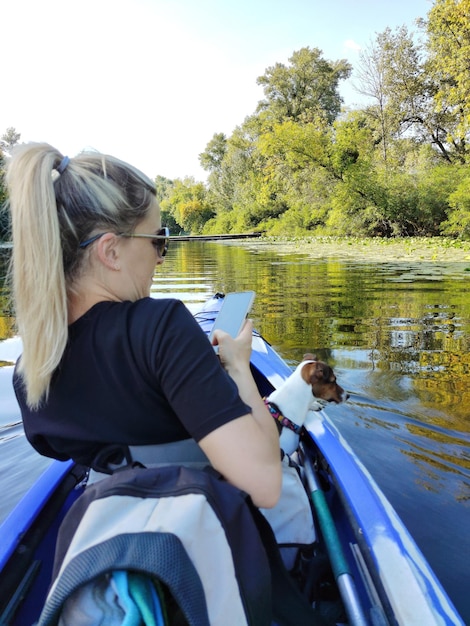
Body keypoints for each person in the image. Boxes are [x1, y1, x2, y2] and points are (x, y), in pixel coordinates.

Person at [6, 142, 282, 509]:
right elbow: (264, 486)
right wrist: (238, 368)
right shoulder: (162, 327)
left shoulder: (30, 373)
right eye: (157, 240)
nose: (160, 258)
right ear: (111, 251)